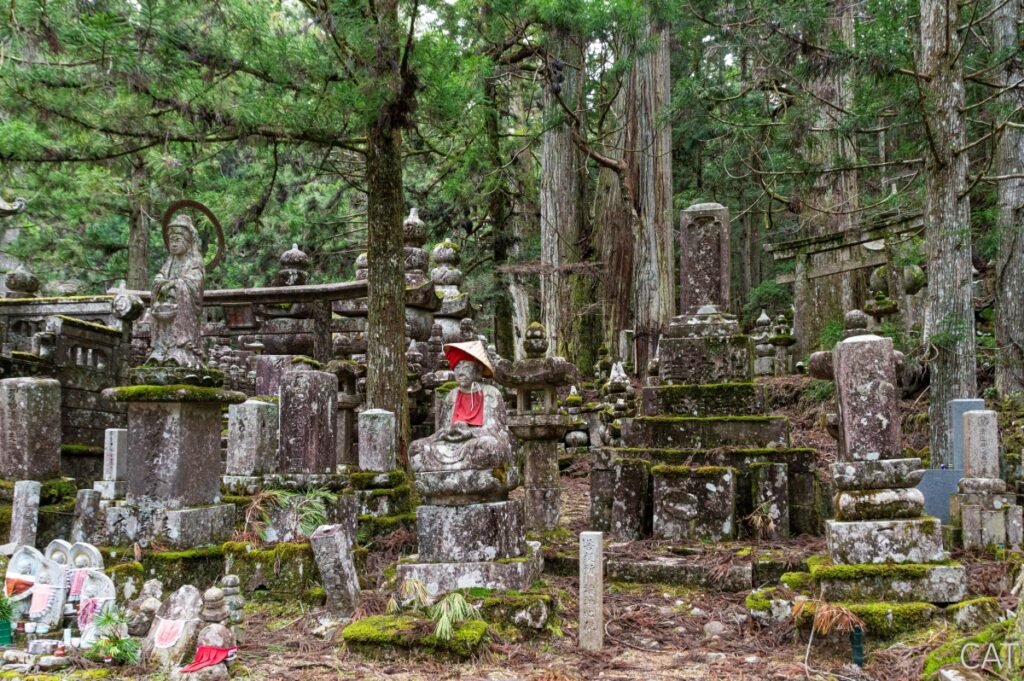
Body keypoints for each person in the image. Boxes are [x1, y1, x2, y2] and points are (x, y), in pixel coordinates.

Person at [409, 340, 517, 503]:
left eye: (465, 367)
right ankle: (451, 469)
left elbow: (497, 429)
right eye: (457, 367)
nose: (460, 372)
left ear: (478, 369)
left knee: (490, 447)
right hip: (452, 445)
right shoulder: (451, 397)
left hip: (477, 443)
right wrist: (449, 431)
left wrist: (470, 432)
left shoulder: (491, 394)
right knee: (416, 448)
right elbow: (443, 430)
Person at [147, 215, 205, 368]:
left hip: (182, 307)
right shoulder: (169, 262)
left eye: (177, 240)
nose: (173, 244)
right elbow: (160, 276)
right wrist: (161, 283)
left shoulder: (194, 261)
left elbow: (194, 282)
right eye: (171, 240)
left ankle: (181, 351)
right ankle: (159, 351)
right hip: (166, 304)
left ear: (187, 241)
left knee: (180, 331)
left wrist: (175, 285)